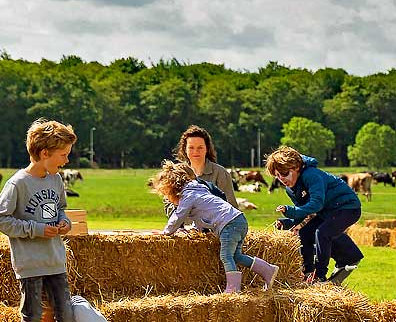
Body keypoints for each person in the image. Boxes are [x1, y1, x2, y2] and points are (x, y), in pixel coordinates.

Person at [0, 119, 80, 322]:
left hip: (56, 260)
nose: (66, 161)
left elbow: (62, 210)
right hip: (30, 264)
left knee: (65, 317)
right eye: (63, 155)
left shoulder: (55, 179)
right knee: (30, 318)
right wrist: (36, 230)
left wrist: (64, 223)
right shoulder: (18, 183)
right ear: (44, 154)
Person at [152, 161, 278, 293]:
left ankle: (233, 289)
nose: (169, 200)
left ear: (174, 189)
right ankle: (268, 270)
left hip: (229, 224)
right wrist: (195, 230)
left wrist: (166, 233)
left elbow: (179, 215)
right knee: (236, 256)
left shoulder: (188, 195)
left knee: (225, 256)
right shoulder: (198, 190)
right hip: (239, 220)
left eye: (168, 196)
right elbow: (202, 215)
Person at [265, 146, 363, 285]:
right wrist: (287, 222)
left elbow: (316, 204)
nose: (282, 179)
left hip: (347, 208)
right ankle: (308, 273)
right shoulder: (290, 189)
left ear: (296, 167)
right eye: (277, 176)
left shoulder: (311, 175)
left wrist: (291, 210)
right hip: (328, 211)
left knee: (322, 232)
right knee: (305, 231)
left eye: (285, 173)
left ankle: (319, 275)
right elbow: (303, 211)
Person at [163, 125, 237, 217]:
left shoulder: (221, 173)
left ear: (207, 149)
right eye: (191, 147)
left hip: (214, 228)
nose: (195, 151)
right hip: (182, 229)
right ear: (185, 149)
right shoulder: (176, 173)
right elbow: (168, 205)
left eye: (200, 147)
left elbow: (232, 207)